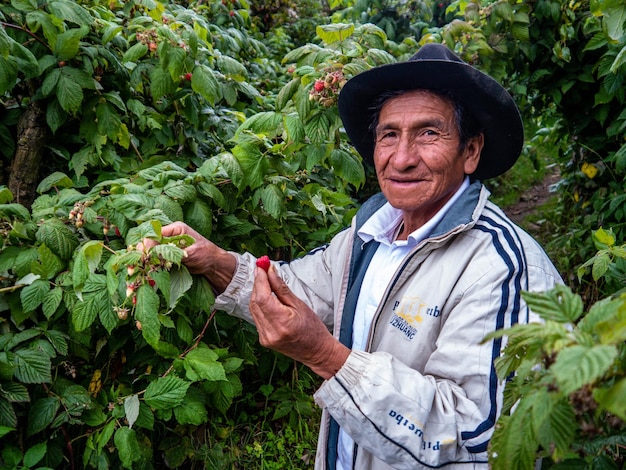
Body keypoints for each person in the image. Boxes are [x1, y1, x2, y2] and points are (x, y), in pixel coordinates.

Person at [145, 43, 562, 469]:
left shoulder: (502, 267)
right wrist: (214, 260)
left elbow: (477, 438)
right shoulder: (370, 233)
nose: (401, 158)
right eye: (389, 135)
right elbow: (298, 286)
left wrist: (326, 355)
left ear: (470, 151)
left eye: (429, 133)